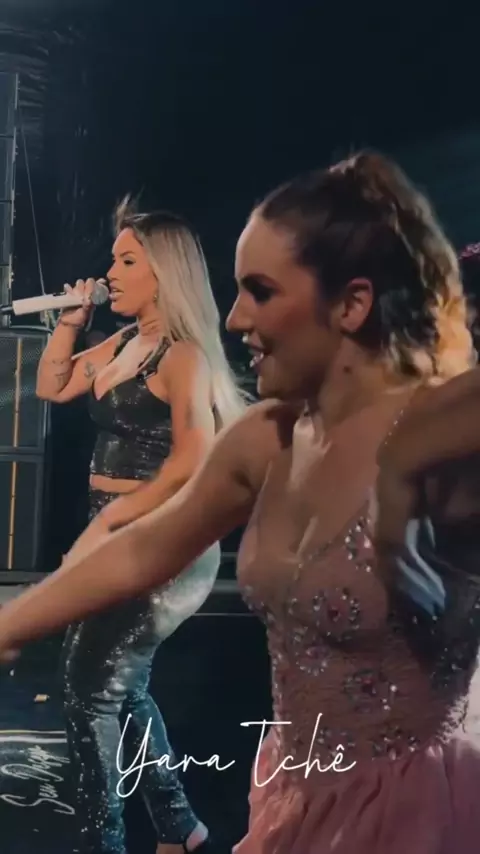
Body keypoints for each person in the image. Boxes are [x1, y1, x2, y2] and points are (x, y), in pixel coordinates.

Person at [2, 152, 480, 853]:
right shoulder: (265, 437)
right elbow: (143, 550)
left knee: (101, 690)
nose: (232, 318)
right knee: (108, 689)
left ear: (351, 305)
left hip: (420, 811)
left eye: (261, 291)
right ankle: (179, 832)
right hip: (301, 792)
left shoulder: (453, 448)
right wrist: (11, 622)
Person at [33, 198, 246, 854]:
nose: (110, 273)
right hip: (113, 535)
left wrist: (120, 519)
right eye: (113, 260)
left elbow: (193, 458)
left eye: (126, 261)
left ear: (164, 272)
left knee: (86, 691)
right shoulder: (125, 344)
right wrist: (71, 323)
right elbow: (51, 387)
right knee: (120, 690)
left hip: (160, 539)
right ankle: (181, 828)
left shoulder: (183, 357)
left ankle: (104, 841)